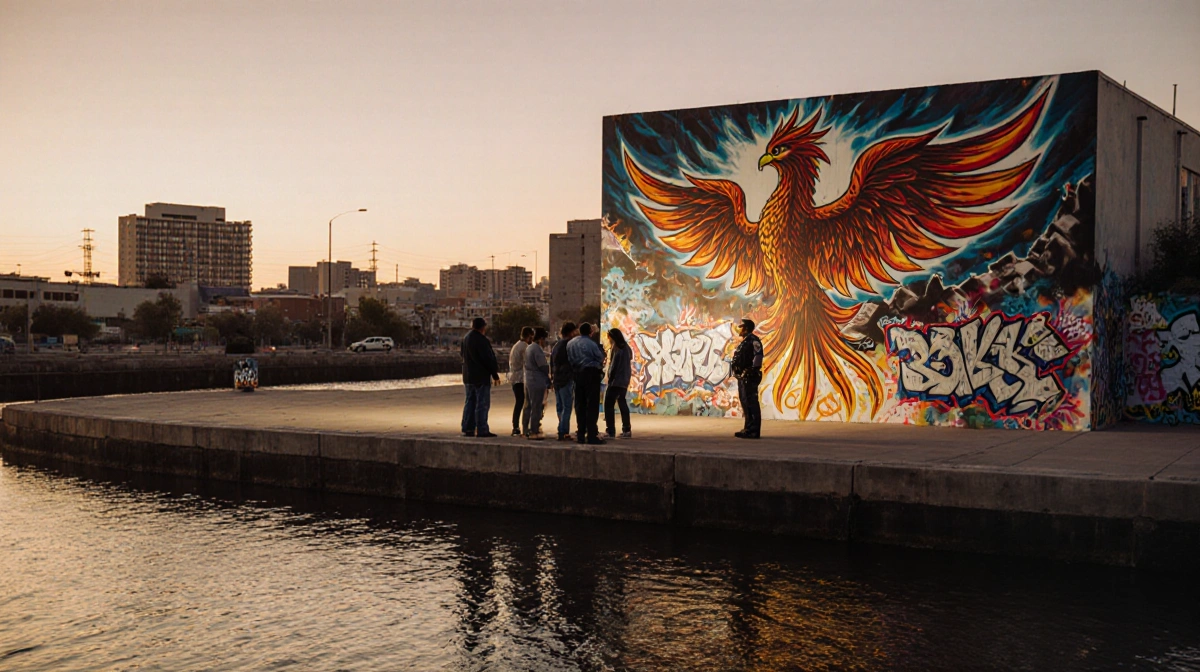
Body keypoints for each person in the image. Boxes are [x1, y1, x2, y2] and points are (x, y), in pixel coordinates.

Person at [460, 317, 500, 438]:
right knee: (482, 404)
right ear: (483, 328)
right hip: (481, 377)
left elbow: (462, 355)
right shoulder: (482, 340)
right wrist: (495, 374)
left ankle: (468, 427)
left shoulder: (465, 339)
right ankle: (482, 429)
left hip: (468, 376)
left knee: (469, 402)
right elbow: (488, 359)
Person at [568, 322, 606, 444]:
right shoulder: (591, 343)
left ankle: (580, 434)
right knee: (592, 405)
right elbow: (600, 358)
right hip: (591, 374)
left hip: (577, 375)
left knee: (580, 405)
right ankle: (591, 434)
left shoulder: (571, 343)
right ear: (590, 332)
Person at [731, 318, 763, 439]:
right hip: (743, 377)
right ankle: (748, 428)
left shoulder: (753, 340)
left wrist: (752, 370)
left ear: (747, 328)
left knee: (751, 402)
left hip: (749, 376)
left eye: (742, 327)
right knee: (745, 402)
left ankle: (753, 430)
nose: (741, 329)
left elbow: (758, 355)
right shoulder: (746, 341)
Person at [550, 322, 578, 441]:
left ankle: (561, 428)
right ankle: (563, 431)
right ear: (571, 332)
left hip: (557, 379)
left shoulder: (556, 346)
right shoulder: (569, 345)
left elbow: (552, 363)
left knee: (560, 406)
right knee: (567, 406)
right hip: (566, 379)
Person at [522, 327, 551, 440]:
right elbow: (542, 366)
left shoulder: (529, 347)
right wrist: (548, 378)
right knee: (536, 406)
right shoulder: (537, 349)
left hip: (528, 379)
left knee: (528, 405)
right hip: (537, 380)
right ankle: (534, 430)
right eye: (544, 340)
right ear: (540, 339)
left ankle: (525, 429)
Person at [604, 328, 632, 439]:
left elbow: (614, 366)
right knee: (622, 402)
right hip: (624, 380)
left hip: (616, 381)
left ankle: (610, 430)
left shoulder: (617, 349)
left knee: (608, 404)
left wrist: (610, 379)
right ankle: (627, 429)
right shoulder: (626, 348)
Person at [508, 326, 534, 436]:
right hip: (519, 378)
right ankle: (519, 426)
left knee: (519, 402)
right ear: (529, 336)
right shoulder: (524, 347)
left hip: (514, 377)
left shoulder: (516, 345)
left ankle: (515, 425)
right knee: (522, 402)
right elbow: (527, 363)